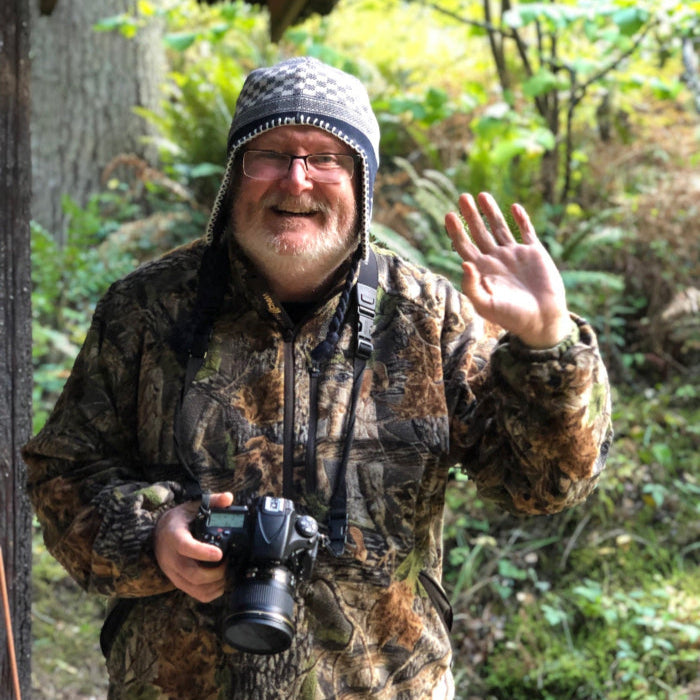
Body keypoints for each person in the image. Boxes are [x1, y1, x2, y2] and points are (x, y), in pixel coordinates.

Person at [23, 56, 613, 700]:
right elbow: (64, 474)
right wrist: (153, 536)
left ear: (361, 180)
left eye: (326, 157)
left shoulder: (428, 314)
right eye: (270, 153)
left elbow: (544, 485)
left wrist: (547, 342)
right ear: (235, 174)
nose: (297, 180)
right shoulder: (149, 307)